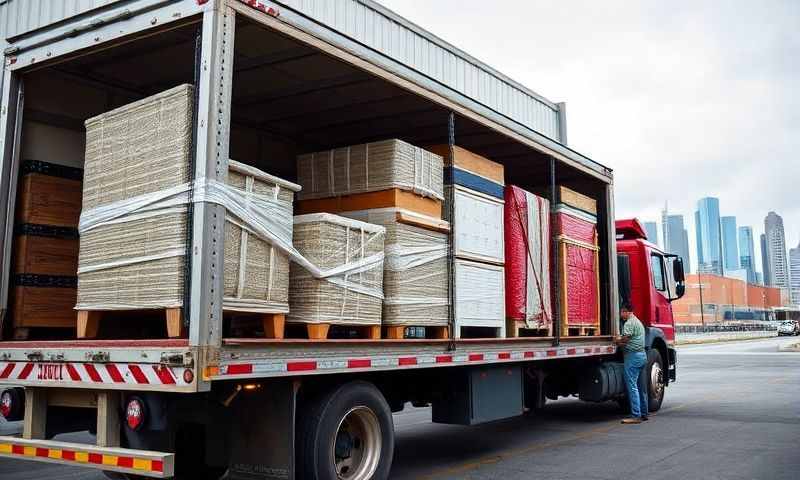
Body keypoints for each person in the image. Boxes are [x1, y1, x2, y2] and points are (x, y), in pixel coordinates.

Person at [615, 302, 649, 424]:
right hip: (642, 356)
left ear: (627, 311)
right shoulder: (638, 322)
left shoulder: (629, 323)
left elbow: (625, 339)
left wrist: (617, 341)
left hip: (633, 357)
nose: (621, 314)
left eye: (622, 312)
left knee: (632, 386)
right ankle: (644, 413)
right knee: (641, 387)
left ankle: (636, 415)